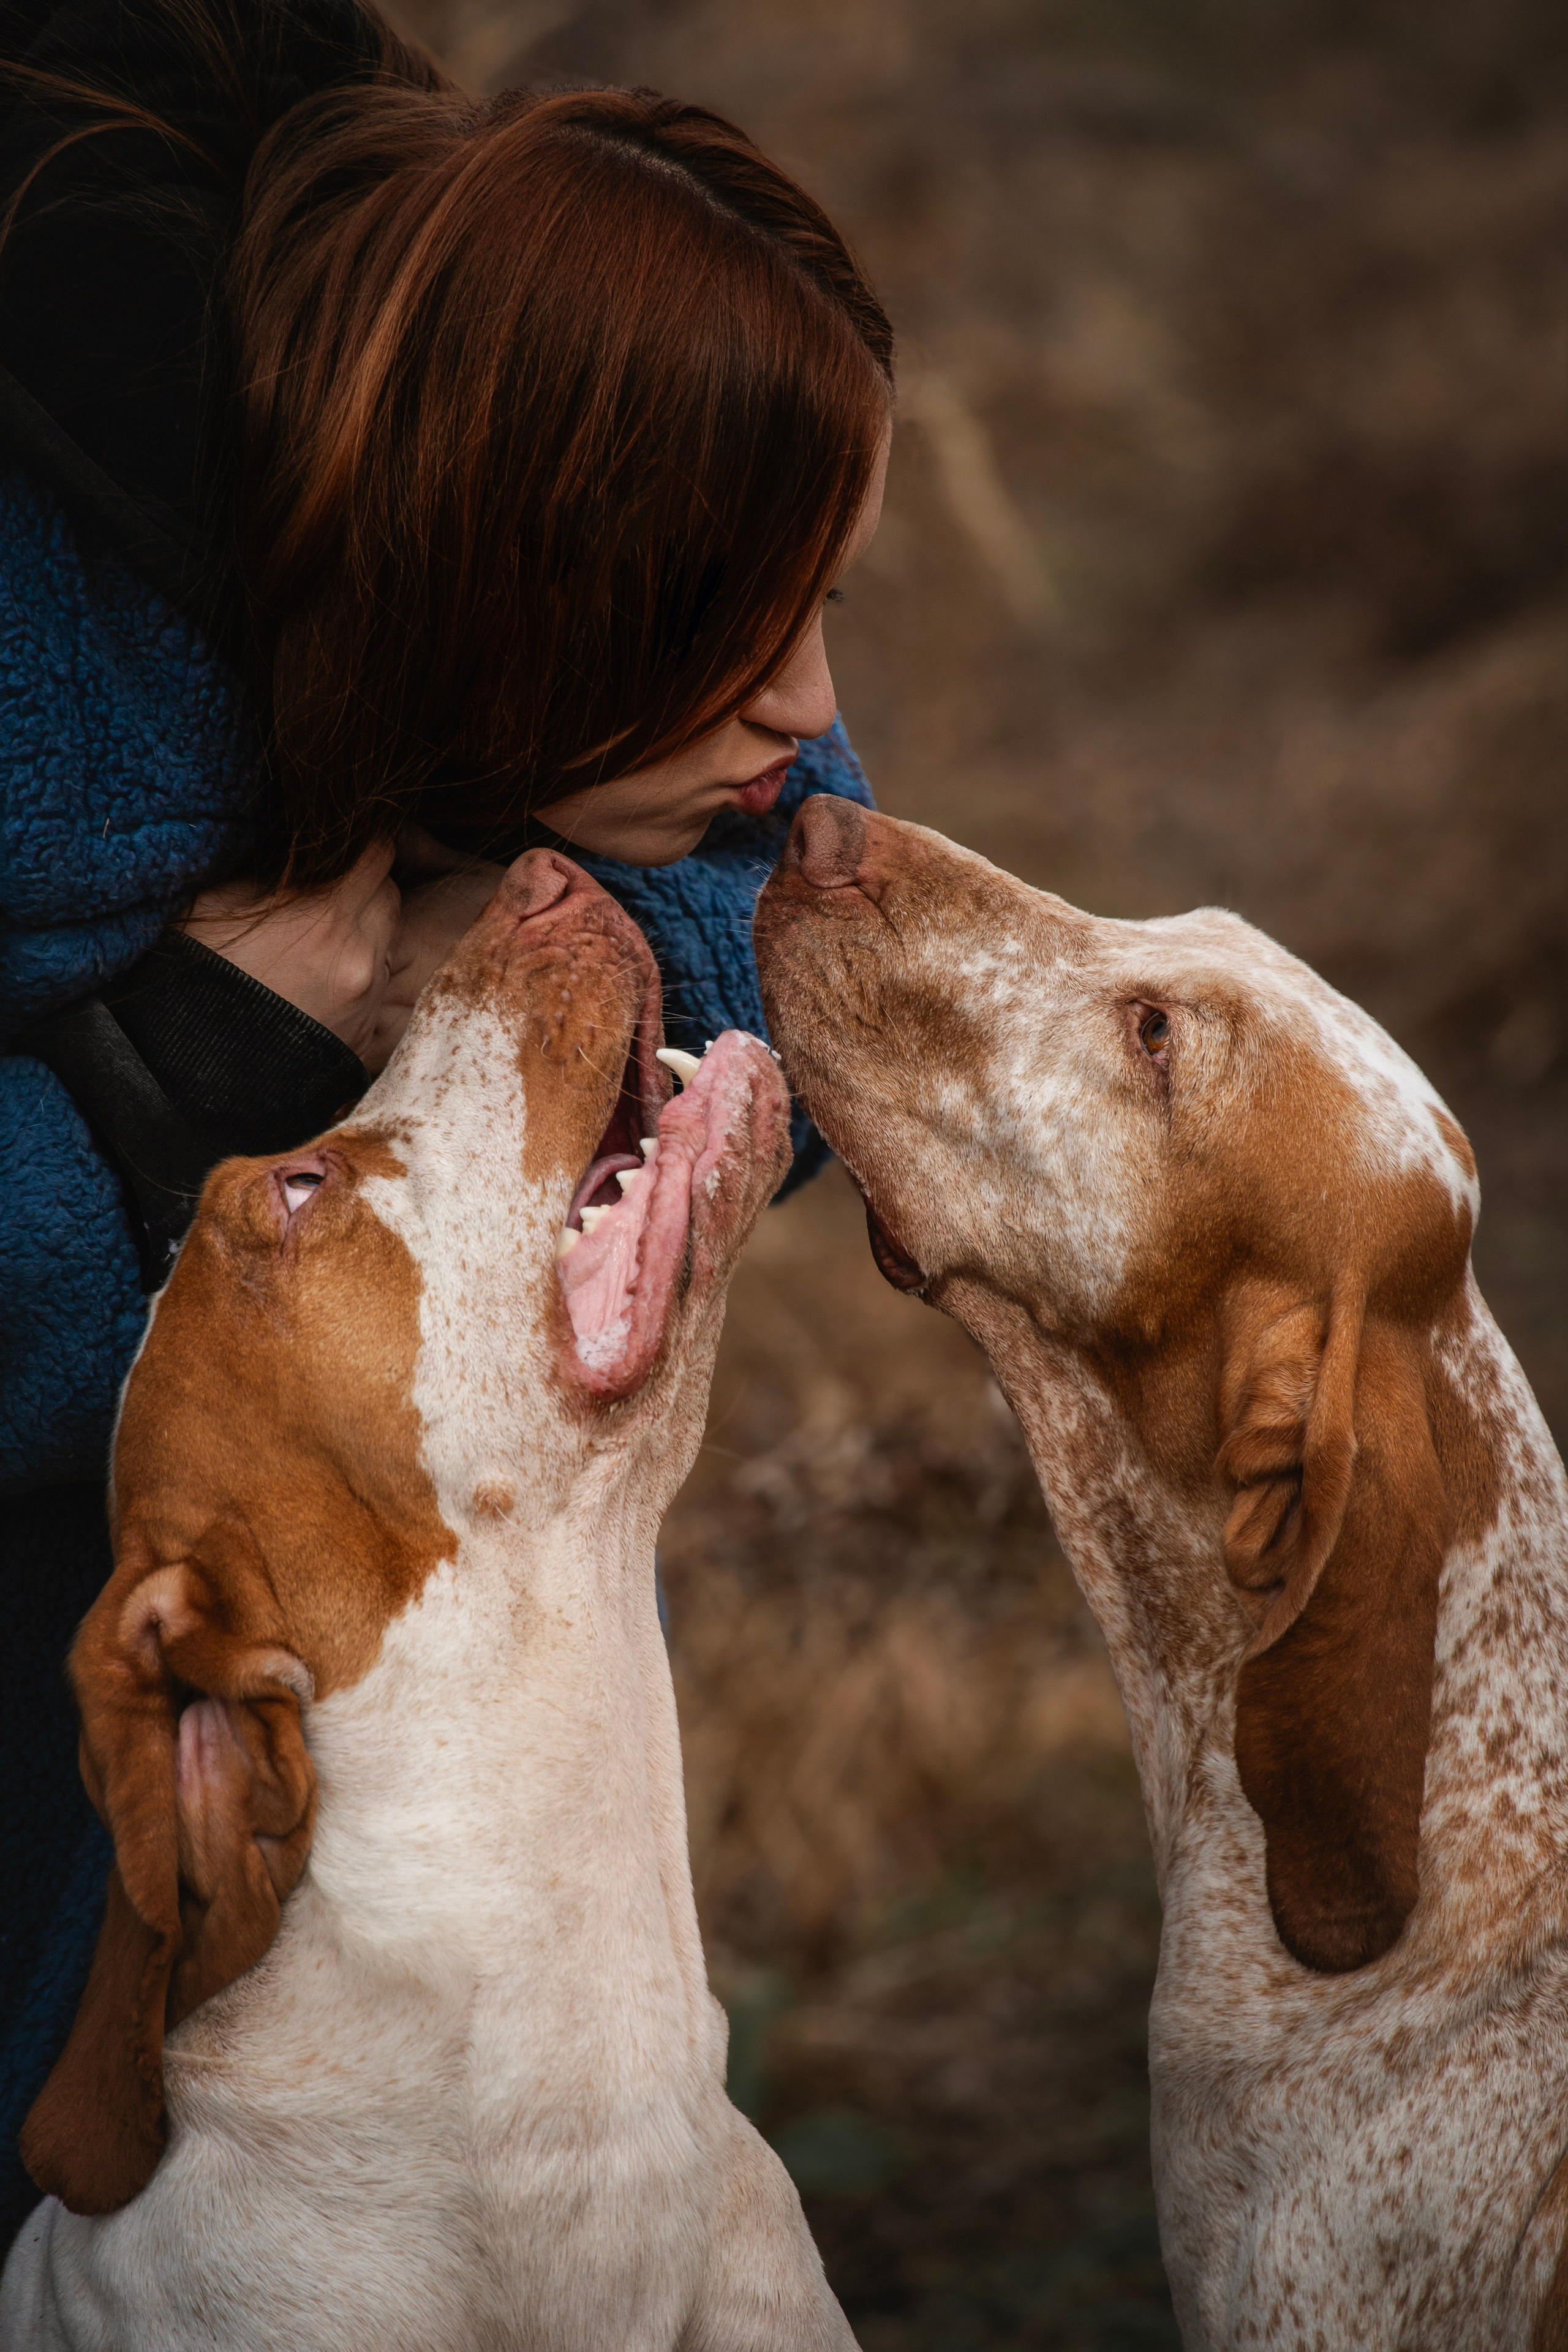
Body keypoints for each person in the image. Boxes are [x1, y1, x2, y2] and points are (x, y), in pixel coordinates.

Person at [0, 0, 892, 2246]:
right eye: (730, 628)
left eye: (827, 601)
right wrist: (192, 1073)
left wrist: (472, 986)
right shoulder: (65, 688)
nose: (811, 706)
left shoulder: (491, 450)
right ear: (522, 601)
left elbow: (775, 953)